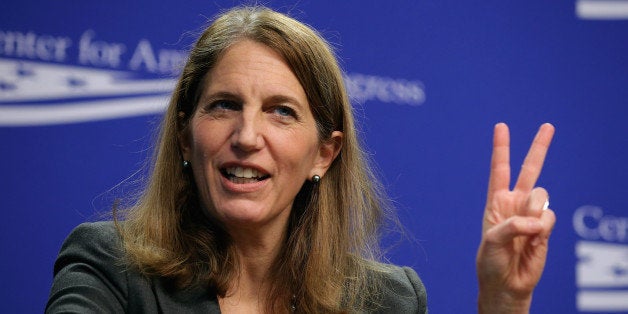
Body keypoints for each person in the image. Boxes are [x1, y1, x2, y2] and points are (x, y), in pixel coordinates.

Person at [46, 5, 555, 314]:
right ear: (185, 138)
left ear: (324, 153)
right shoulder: (109, 267)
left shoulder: (388, 302)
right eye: (224, 105)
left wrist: (504, 303)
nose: (247, 136)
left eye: (280, 112)